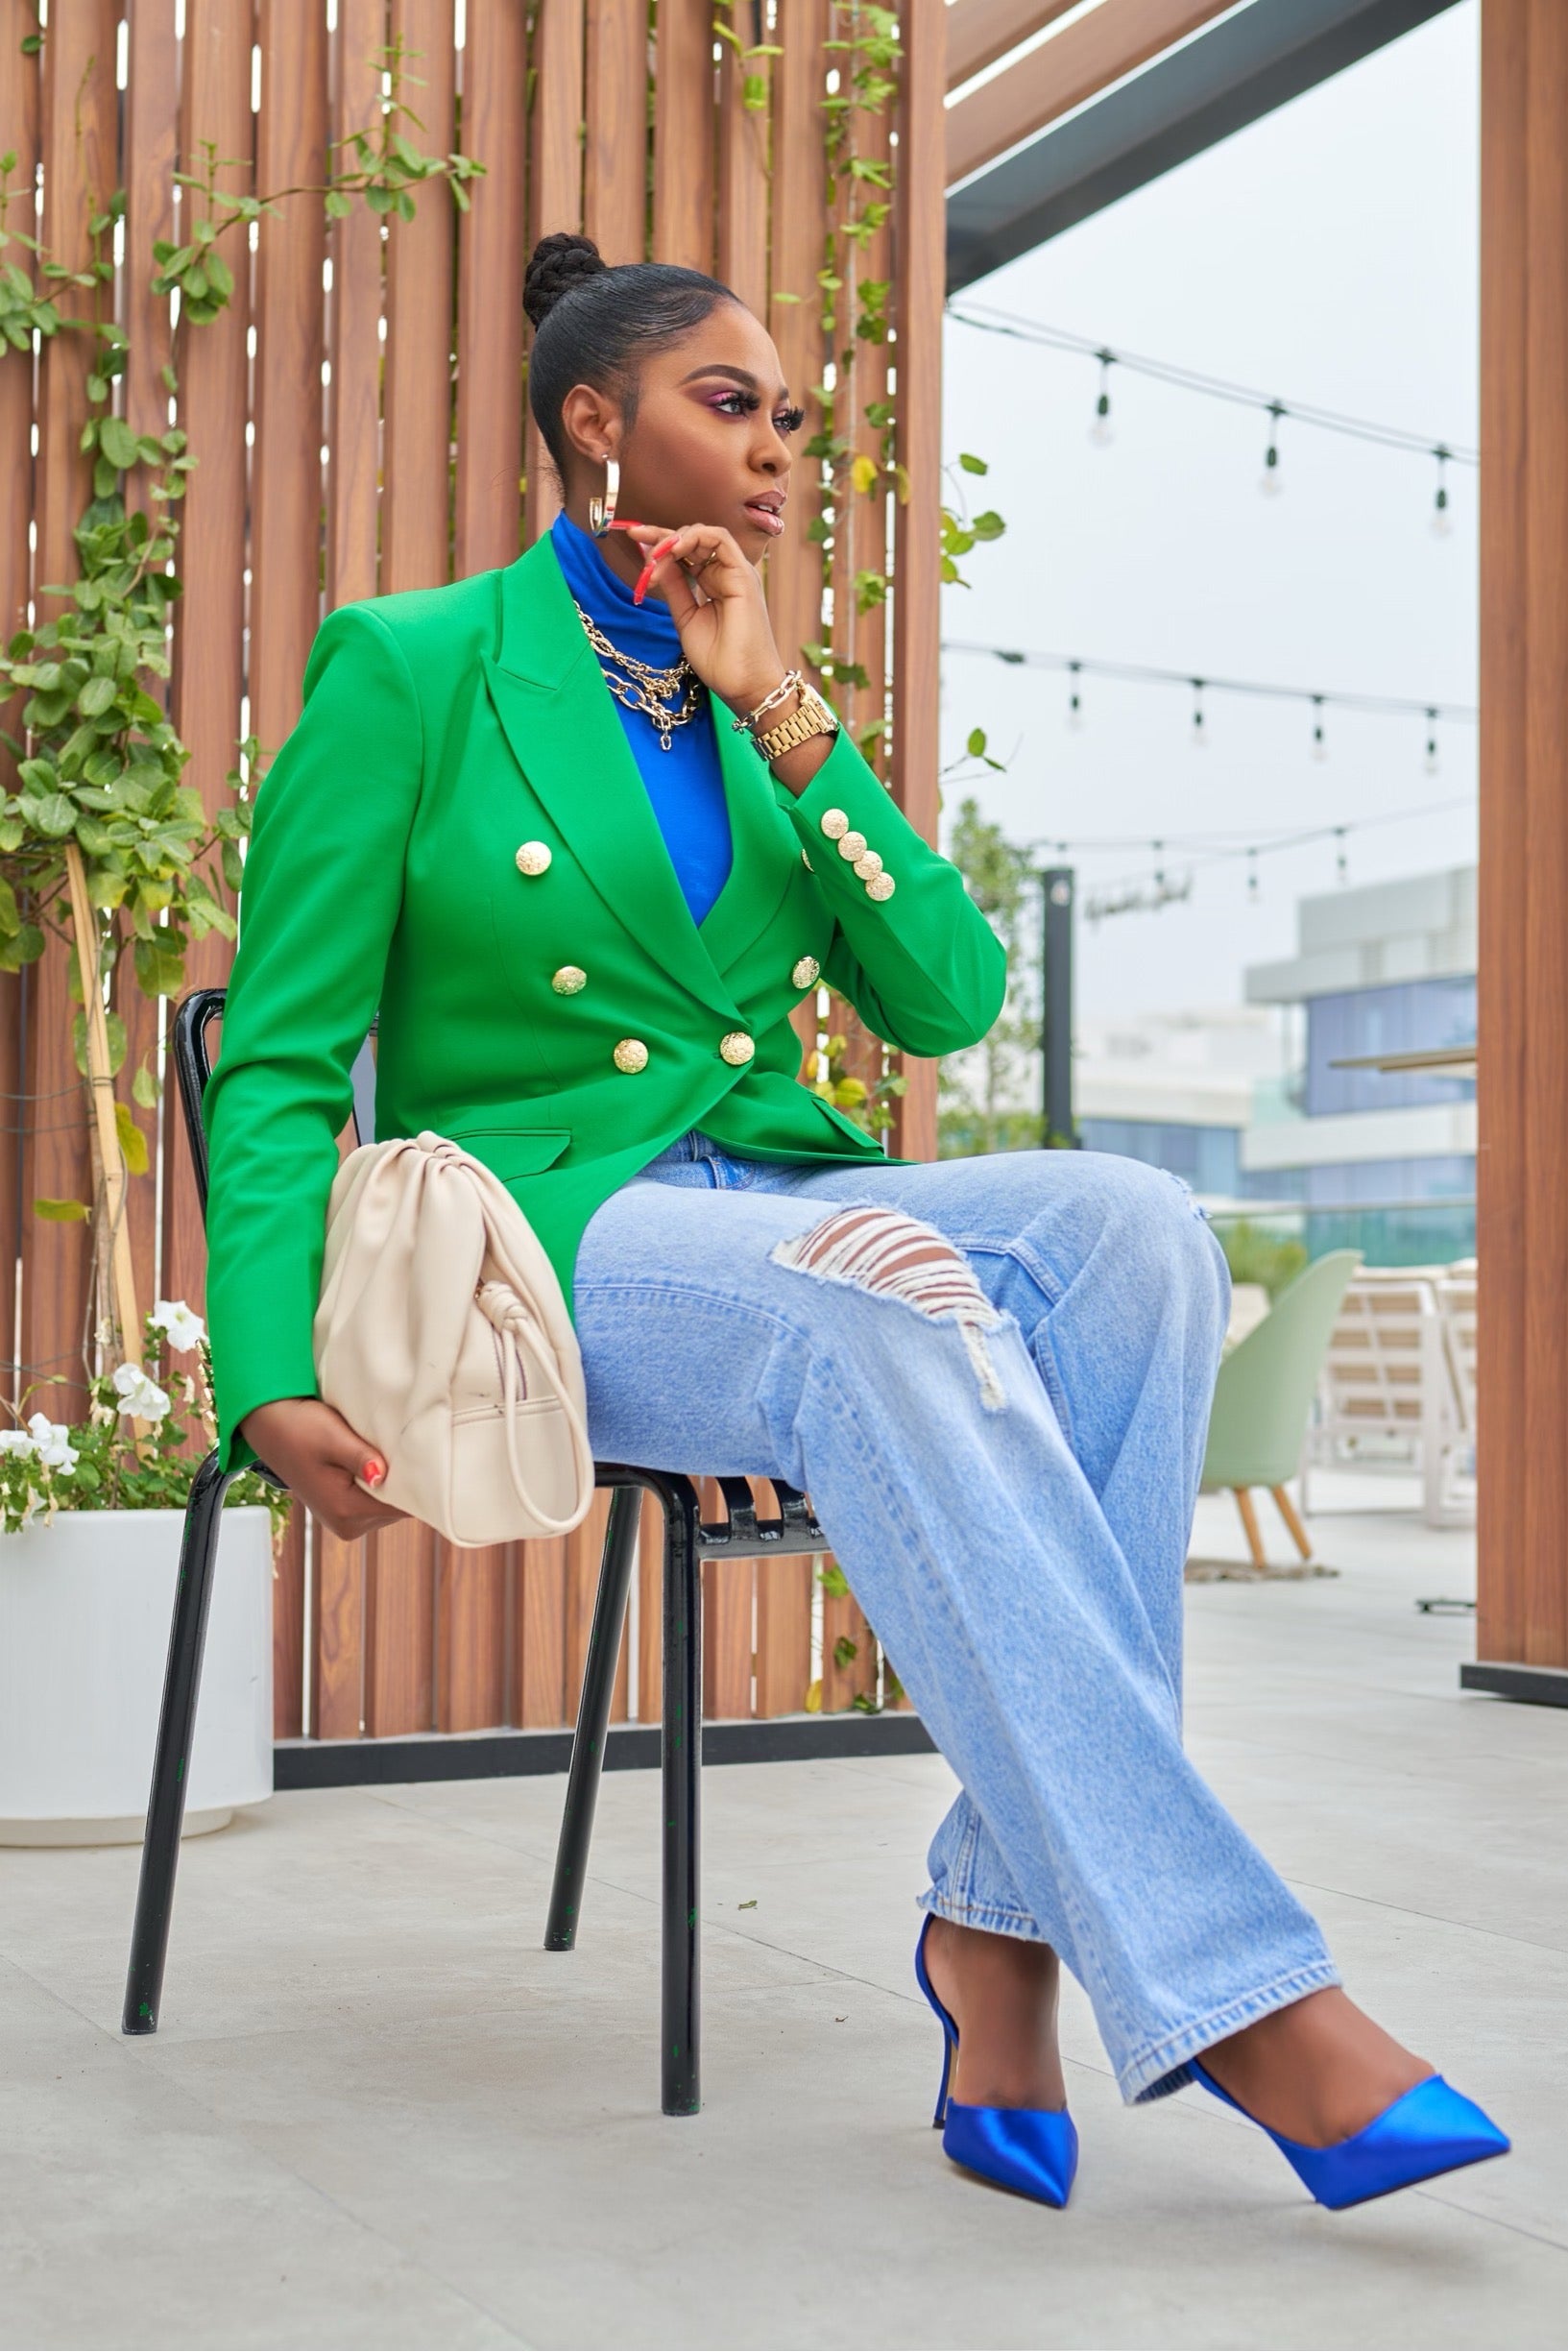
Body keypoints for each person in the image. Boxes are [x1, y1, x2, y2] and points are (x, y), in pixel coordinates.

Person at [204, 230, 1508, 2211]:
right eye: (728, 405)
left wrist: (789, 715)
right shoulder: (416, 668)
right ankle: (1237, 1991)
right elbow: (286, 1055)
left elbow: (949, 1001)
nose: (778, 449)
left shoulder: (744, 704)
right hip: (547, 1246)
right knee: (868, 1306)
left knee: (1135, 1230)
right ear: (591, 422)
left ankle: (996, 1923)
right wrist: (265, 1371)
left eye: (793, 417)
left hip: (783, 1195)